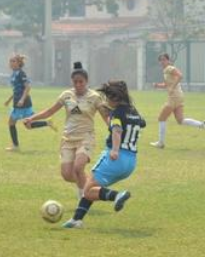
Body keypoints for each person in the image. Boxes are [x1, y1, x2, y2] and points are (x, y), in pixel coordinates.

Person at [62, 80, 146, 228]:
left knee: (88, 190)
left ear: (114, 98)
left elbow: (117, 130)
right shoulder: (134, 111)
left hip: (115, 158)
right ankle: (76, 220)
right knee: (92, 187)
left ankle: (116, 196)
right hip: (130, 161)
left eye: (108, 98)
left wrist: (114, 149)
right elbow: (142, 123)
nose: (106, 101)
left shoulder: (116, 114)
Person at [24, 62, 109, 199]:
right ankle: (90, 185)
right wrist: (31, 118)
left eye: (81, 82)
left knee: (78, 167)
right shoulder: (66, 95)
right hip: (68, 139)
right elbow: (50, 111)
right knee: (67, 175)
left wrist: (115, 130)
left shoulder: (94, 97)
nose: (78, 85)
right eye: (75, 82)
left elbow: (106, 117)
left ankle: (83, 198)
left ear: (86, 81)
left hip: (85, 138)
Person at [150, 53, 205, 149]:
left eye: (164, 59)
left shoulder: (170, 68)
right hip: (179, 96)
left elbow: (180, 76)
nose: (162, 62)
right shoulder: (165, 71)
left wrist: (173, 87)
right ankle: (202, 124)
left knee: (161, 118)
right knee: (180, 120)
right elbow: (167, 85)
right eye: (160, 60)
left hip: (174, 97)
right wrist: (157, 86)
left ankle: (161, 143)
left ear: (168, 60)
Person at [4, 54, 56, 152]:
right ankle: (47, 122)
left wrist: (22, 100)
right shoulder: (14, 74)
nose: (11, 63)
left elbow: (28, 87)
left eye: (13, 61)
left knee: (14, 123)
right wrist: (9, 100)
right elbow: (16, 90)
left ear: (19, 63)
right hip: (17, 102)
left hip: (23, 103)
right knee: (28, 125)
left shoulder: (21, 73)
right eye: (10, 61)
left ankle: (15, 146)